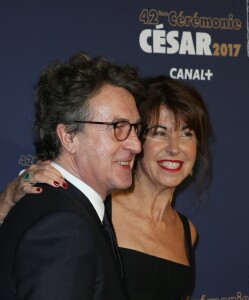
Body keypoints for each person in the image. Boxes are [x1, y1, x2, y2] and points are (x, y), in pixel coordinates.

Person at [0, 75, 211, 299]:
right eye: (159, 132)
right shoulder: (95, 210)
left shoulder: (187, 232)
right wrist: (5, 202)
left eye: (187, 133)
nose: (174, 148)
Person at [0, 52, 144, 299]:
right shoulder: (63, 225)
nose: (136, 145)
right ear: (69, 137)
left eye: (135, 128)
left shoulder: (68, 208)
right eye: (118, 128)